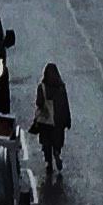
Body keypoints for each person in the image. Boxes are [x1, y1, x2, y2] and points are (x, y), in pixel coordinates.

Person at [32, 60, 71, 188]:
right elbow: (65, 105)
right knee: (57, 141)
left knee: (46, 143)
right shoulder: (61, 87)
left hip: (45, 122)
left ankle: (49, 162)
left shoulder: (42, 87)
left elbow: (39, 103)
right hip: (58, 121)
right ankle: (57, 153)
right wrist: (67, 120)